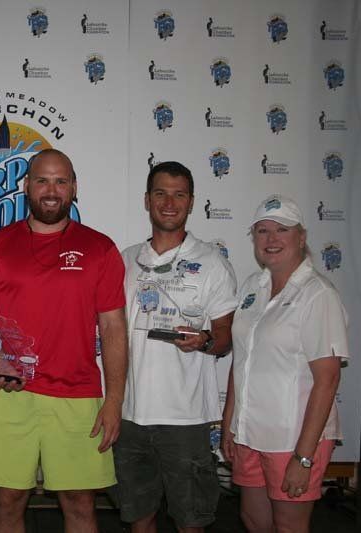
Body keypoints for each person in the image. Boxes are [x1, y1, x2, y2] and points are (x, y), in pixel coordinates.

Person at [0, 149, 128, 532]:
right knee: (7, 501)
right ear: (26, 186)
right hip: (12, 394)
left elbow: (113, 328)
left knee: (80, 504)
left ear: (74, 187)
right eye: (42, 180)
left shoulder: (100, 248)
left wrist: (114, 400)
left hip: (78, 396)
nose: (51, 190)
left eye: (60, 181)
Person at [114, 161, 237, 532]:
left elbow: (226, 337)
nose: (169, 203)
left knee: (191, 521)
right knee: (138, 518)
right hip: (130, 415)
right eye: (161, 194)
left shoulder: (212, 262)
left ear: (192, 201)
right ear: (147, 200)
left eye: (179, 194)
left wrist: (205, 341)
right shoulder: (125, 259)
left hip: (185, 419)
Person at [221, 195, 348, 532]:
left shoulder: (318, 294)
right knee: (254, 520)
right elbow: (242, 358)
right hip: (250, 433)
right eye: (262, 231)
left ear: (301, 237)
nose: (271, 238)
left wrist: (303, 457)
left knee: (289, 526)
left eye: (282, 229)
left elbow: (328, 380)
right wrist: (230, 422)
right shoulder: (253, 286)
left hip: (293, 439)